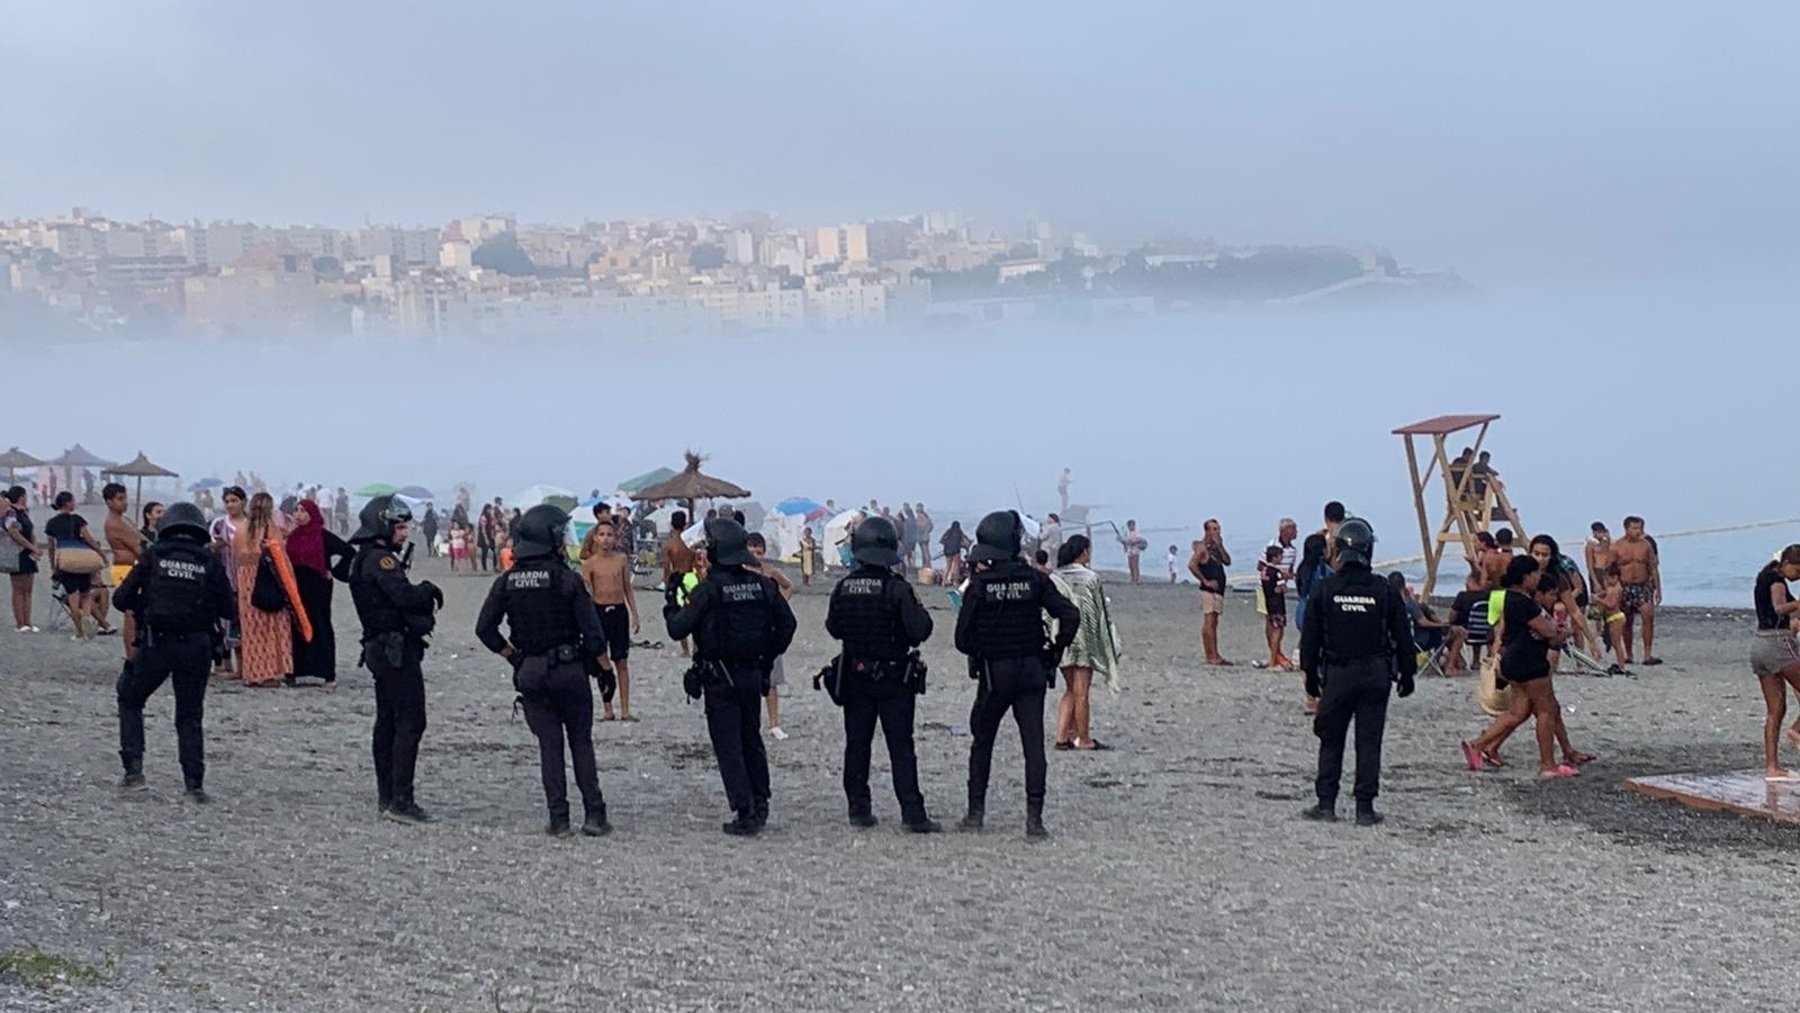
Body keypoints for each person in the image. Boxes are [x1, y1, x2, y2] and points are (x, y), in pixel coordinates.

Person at [476, 505, 613, 837]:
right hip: (569, 669)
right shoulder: (567, 580)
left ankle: (559, 817)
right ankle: (594, 814)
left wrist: (514, 657)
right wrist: (605, 669)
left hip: (531, 670)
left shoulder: (507, 581)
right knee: (580, 741)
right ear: (551, 538)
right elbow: (594, 636)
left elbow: (484, 629)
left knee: (549, 746)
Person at [665, 518, 798, 836]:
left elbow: (677, 629)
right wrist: (767, 658)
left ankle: (745, 810)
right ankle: (761, 801)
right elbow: (788, 625)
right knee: (751, 738)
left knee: (728, 744)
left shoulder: (709, 590)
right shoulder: (762, 585)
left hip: (719, 676)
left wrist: (671, 602)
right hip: (753, 672)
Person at [954, 510, 1079, 839]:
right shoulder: (1035, 580)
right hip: (1032, 671)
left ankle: (975, 813)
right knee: (1033, 745)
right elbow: (1069, 614)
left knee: (983, 741)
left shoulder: (979, 585)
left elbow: (961, 640)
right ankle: (1034, 820)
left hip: (995, 673)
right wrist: (1054, 651)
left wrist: (984, 644)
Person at [113, 502, 236, 803]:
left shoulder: (154, 556)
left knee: (130, 698)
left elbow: (120, 598)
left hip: (158, 643)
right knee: (190, 715)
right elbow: (228, 609)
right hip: (197, 646)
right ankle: (194, 784)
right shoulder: (209, 561)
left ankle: (134, 770)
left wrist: (145, 606)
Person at [823, 516, 939, 831]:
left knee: (857, 745)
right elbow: (921, 630)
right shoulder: (897, 589)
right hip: (893, 678)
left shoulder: (844, 587)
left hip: (855, 676)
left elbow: (833, 627)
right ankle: (913, 815)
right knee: (901, 747)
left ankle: (859, 809)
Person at [1298, 517, 1416, 826]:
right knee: (1369, 740)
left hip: (1339, 673)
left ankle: (1326, 803)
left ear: (1338, 550)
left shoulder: (1326, 588)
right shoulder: (1384, 589)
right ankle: (1364, 807)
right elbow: (1403, 635)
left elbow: (1309, 639)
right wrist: (1408, 673)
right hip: (1375, 673)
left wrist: (1310, 677)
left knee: (1331, 737)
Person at [348, 495, 444, 824]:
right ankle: (401, 799)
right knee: (410, 720)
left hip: (380, 647)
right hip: (393, 649)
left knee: (388, 721)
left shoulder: (365, 558)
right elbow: (402, 595)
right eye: (400, 527)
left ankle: (387, 796)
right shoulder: (381, 560)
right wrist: (427, 591)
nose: (404, 533)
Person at [1462, 555, 1590, 778]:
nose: (1538, 578)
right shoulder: (1523, 603)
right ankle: (1547, 765)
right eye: (1535, 574)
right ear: (1526, 576)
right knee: (1546, 711)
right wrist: (1565, 632)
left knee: (1518, 712)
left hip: (1515, 659)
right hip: (1529, 661)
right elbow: (1548, 633)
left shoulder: (1510, 599)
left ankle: (1478, 744)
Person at [1051, 535, 1121, 751]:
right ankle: (1084, 738)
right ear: (1082, 552)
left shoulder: (1055, 577)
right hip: (1083, 641)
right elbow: (1099, 613)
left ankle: (1064, 736)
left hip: (1062, 639)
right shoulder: (1090, 578)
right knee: (1082, 693)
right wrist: (1108, 643)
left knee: (1070, 689)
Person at [287, 499, 354, 689]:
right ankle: (295, 670)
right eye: (296, 511)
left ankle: (327, 673)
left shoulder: (322, 536)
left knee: (320, 623)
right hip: (297, 585)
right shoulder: (293, 536)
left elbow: (348, 551)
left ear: (313, 514)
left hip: (318, 585)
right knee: (297, 624)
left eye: (303, 511)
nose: (299, 514)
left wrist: (333, 569)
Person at [580, 521, 640, 722]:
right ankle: (608, 707)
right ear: (596, 538)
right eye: (602, 535)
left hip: (619, 612)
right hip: (598, 613)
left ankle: (625, 708)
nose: (606, 539)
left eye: (609, 535)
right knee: (602, 662)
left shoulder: (621, 559)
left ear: (615, 538)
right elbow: (587, 596)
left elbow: (627, 588)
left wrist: (635, 614)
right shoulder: (589, 564)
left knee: (621, 661)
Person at [1751, 547, 1800, 782]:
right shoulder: (1778, 582)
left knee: (1775, 710)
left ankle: (1772, 767)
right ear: (1787, 563)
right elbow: (1779, 607)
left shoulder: (1765, 576)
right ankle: (1797, 730)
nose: (1799, 576)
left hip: (1759, 644)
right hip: (1777, 645)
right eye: (1798, 571)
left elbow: (1781, 614)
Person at [234, 492, 292, 687]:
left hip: (245, 578)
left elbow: (237, 555)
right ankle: (266, 672)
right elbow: (281, 557)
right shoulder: (271, 530)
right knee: (271, 624)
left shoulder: (241, 529)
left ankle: (251, 672)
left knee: (251, 627)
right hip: (265, 576)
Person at [746, 532, 795, 740]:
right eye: (753, 551)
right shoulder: (741, 573)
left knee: (772, 679)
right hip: (748, 630)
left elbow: (790, 586)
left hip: (769, 631)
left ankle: (774, 722)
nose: (756, 555)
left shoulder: (770, 571)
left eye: (760, 552)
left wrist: (781, 606)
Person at [46, 491, 108, 641]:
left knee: (73, 598)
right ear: (67, 503)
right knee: (86, 596)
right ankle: (86, 622)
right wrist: (101, 554)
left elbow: (51, 547)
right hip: (82, 562)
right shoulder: (77, 519)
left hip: (66, 563)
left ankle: (80, 633)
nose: (75, 503)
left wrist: (54, 566)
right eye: (73, 501)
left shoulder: (52, 523)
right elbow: (89, 539)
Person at [102, 483, 146, 670]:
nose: (124, 502)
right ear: (109, 502)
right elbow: (137, 545)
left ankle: (136, 654)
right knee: (131, 614)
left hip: (132, 566)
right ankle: (132, 656)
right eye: (120, 499)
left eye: (125, 498)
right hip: (124, 568)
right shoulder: (115, 523)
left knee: (136, 614)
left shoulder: (124, 519)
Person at [210, 486, 248, 675]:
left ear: (243, 502)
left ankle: (244, 667)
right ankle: (230, 665)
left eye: (234, 500)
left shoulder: (250, 524)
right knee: (228, 624)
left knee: (245, 623)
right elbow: (210, 548)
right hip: (225, 580)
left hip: (247, 581)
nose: (230, 505)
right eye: (227, 501)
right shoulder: (219, 524)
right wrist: (216, 547)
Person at [1614, 516, 1662, 665]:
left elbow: (1653, 567)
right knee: (1626, 622)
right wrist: (1612, 588)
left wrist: (1658, 589)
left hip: (1642, 586)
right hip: (1625, 586)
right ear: (1626, 529)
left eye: (1640, 528)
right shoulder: (1616, 546)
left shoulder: (1646, 546)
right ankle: (1629, 654)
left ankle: (1647, 655)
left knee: (1648, 617)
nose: (1638, 531)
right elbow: (1609, 569)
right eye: (1634, 528)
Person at [661, 510, 700, 657]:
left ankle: (686, 650)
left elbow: (667, 568)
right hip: (692, 576)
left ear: (672, 524)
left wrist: (667, 584)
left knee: (680, 613)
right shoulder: (691, 543)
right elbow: (697, 563)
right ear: (685, 524)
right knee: (696, 611)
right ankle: (696, 646)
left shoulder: (670, 546)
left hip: (677, 578)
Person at [3, 487, 40, 633]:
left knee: (28, 590)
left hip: (27, 553)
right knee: (18, 589)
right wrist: (31, 546)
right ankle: (20, 622)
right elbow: (14, 533)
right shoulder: (11, 513)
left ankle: (28, 621)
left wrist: (34, 547)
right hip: (17, 553)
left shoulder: (24, 512)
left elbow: (30, 532)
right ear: (21, 496)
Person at [1188, 539, 1231, 666]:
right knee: (1209, 621)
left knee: (1214, 621)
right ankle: (1211, 655)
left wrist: (1220, 546)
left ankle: (1213, 653)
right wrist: (1205, 581)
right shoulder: (1202, 548)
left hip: (1218, 591)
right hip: (1209, 590)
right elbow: (1192, 565)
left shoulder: (1216, 549)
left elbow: (1227, 561)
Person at [1258, 545, 1291, 670]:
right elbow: (1283, 588)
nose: (1282, 558)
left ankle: (1274, 658)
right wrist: (1284, 582)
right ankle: (1273, 661)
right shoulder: (1276, 573)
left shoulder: (1264, 571)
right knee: (1278, 632)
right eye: (1280, 555)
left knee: (1272, 630)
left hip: (1268, 603)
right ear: (1275, 557)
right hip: (1278, 605)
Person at [939, 520, 970, 587]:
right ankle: (955, 582)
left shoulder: (948, 531)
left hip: (947, 551)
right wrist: (962, 545)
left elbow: (941, 540)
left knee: (947, 566)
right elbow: (965, 542)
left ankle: (943, 582)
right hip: (956, 551)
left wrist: (947, 544)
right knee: (956, 567)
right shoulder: (959, 532)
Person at [1120, 519, 1148, 585]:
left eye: (1133, 525)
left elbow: (1138, 540)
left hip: (1136, 551)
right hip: (1130, 551)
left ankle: (1136, 580)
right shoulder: (1127, 533)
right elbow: (1125, 542)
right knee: (1130, 566)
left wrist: (1130, 542)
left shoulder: (1137, 532)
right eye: (1130, 525)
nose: (1131, 527)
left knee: (1135, 565)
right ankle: (1132, 579)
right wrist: (1123, 543)